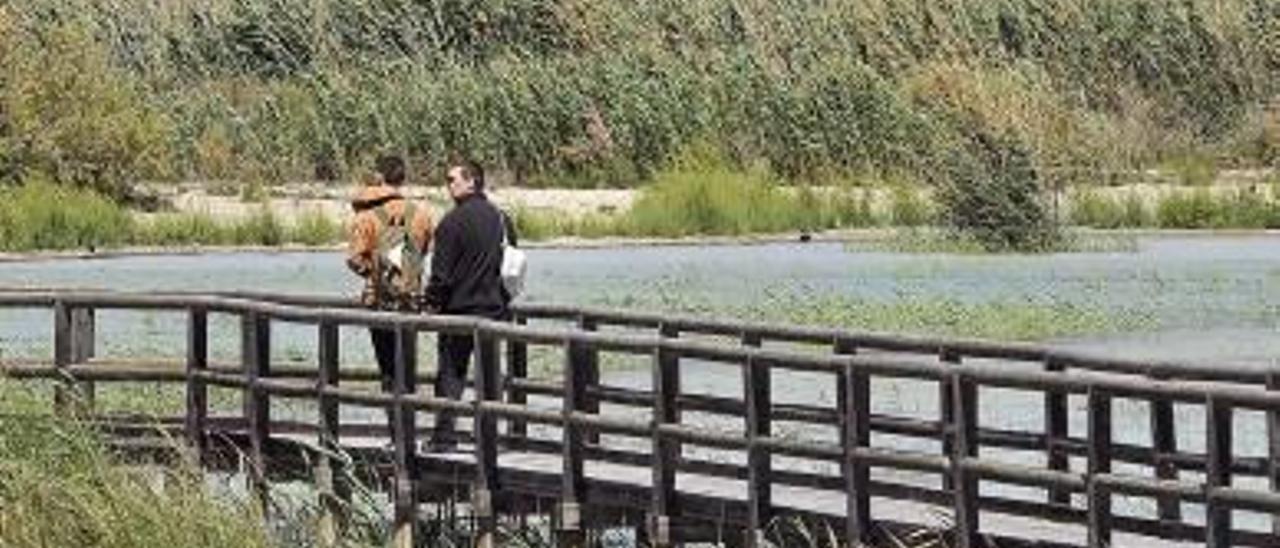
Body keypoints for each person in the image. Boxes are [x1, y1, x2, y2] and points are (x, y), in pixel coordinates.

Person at [422, 159, 517, 451]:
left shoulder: (451, 222)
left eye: (452, 179)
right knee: (490, 376)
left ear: (471, 181)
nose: (447, 185)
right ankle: (488, 438)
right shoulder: (501, 219)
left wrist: (432, 303)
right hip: (494, 310)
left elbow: (441, 275)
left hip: (459, 311)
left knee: (451, 375)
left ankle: (445, 436)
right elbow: (512, 262)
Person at [345, 154, 433, 434]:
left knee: (387, 368)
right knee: (407, 368)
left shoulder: (367, 216)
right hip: (411, 301)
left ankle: (395, 432)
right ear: (402, 178)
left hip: (381, 303)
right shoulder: (421, 214)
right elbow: (425, 251)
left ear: (379, 177)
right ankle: (408, 429)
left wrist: (373, 273)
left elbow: (354, 259)